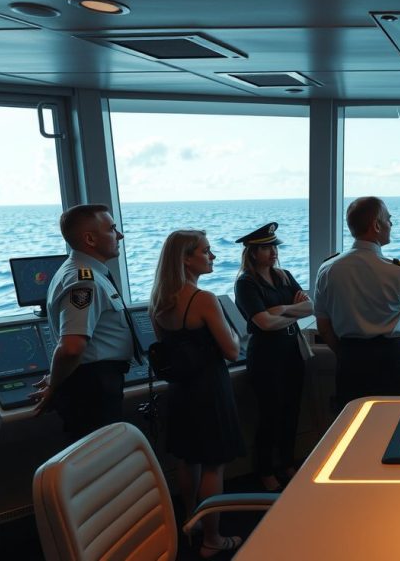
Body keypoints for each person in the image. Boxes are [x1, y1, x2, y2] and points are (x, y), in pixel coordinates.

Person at [149, 230, 245, 558]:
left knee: (188, 459)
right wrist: (233, 332)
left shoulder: (158, 302)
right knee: (214, 465)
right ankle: (212, 539)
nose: (212, 256)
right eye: (206, 251)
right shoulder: (203, 299)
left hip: (180, 391)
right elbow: (232, 350)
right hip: (209, 389)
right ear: (186, 259)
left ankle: (191, 520)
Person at [314, 196, 400, 407]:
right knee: (398, 420)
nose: (391, 224)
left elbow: (323, 326)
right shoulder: (397, 272)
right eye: (388, 219)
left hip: (350, 363)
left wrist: (346, 355)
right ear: (376, 226)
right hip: (391, 364)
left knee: (354, 422)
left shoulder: (327, 269)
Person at [30, 204, 137, 439]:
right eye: (112, 229)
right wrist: (54, 384)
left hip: (93, 383)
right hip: (93, 388)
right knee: (101, 456)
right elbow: (71, 347)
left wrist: (56, 378)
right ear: (90, 239)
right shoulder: (84, 280)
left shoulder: (85, 272)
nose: (119, 235)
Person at [233, 222, 313, 492]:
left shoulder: (284, 276)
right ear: (253, 252)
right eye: (267, 248)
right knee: (270, 415)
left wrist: (281, 310)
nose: (273, 252)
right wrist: (292, 311)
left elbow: (310, 307)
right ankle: (265, 470)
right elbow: (264, 324)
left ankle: (287, 463)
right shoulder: (246, 283)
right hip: (266, 358)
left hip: (291, 353)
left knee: (292, 411)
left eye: (274, 247)